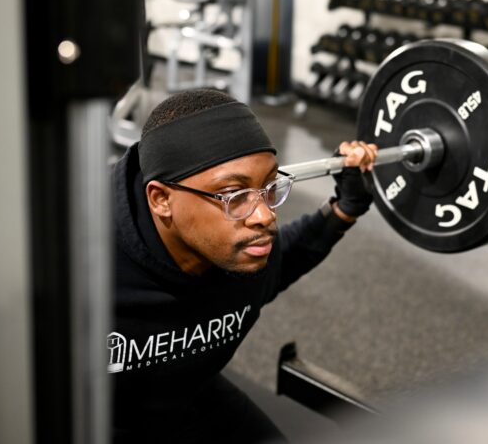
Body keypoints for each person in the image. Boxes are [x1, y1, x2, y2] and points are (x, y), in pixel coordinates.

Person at [109, 89, 378, 443]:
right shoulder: (84, 264)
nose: (265, 216)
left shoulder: (242, 248)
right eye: (233, 195)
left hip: (192, 394)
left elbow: (286, 259)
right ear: (161, 199)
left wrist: (345, 208)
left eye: (270, 187)